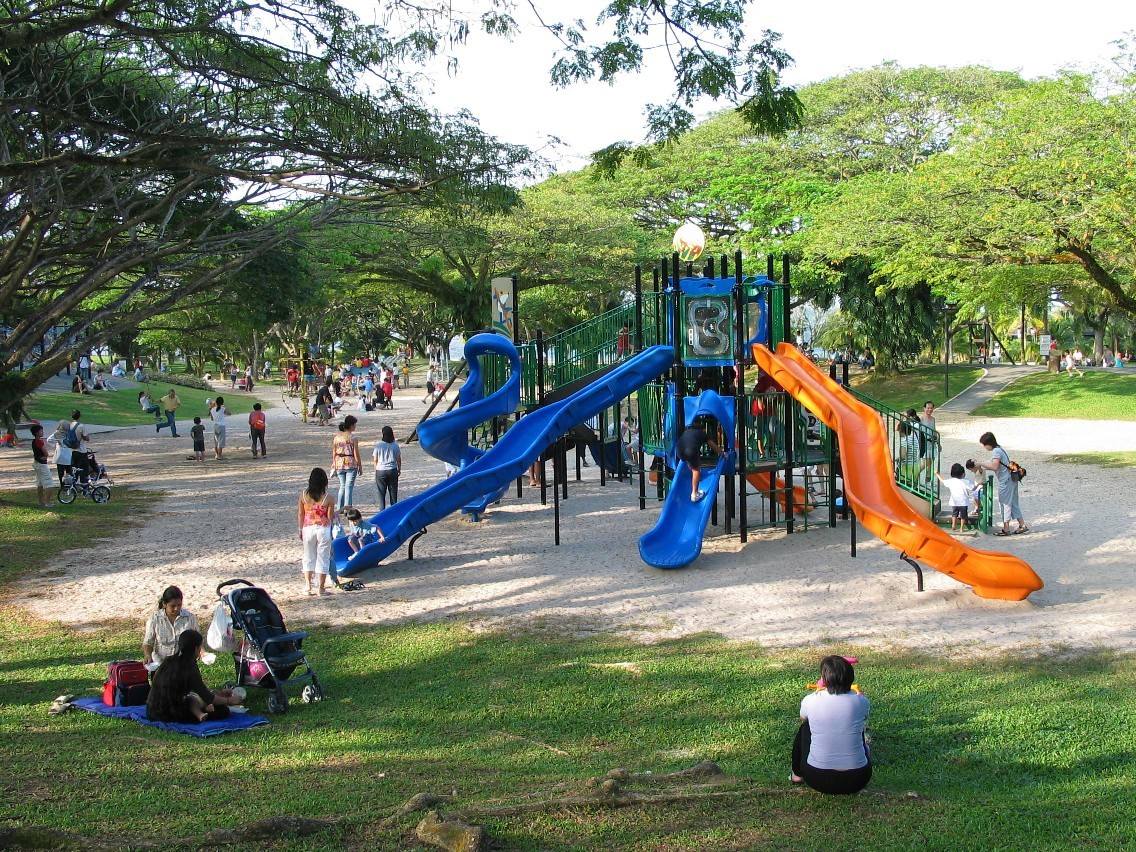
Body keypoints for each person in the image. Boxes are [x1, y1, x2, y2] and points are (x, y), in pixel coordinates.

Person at [790, 655, 872, 795]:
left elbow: (803, 717)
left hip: (817, 778)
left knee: (806, 727)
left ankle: (797, 775)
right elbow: (863, 716)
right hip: (858, 779)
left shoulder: (811, 700)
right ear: (851, 678)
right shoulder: (861, 701)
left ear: (824, 679)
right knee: (856, 727)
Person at [146, 630, 244, 723]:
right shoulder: (189, 667)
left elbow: (194, 689)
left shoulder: (168, 661)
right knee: (222, 711)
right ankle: (201, 714)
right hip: (167, 714)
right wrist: (229, 700)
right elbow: (207, 697)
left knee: (193, 701)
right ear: (196, 649)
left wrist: (218, 693)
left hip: (151, 710)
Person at [979, 431, 1028, 536]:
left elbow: (995, 466)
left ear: (988, 444)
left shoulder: (996, 451)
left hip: (1005, 481)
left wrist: (981, 464)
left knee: (1005, 504)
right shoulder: (1000, 448)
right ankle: (1022, 525)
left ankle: (1006, 528)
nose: (984, 447)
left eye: (984, 445)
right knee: (1014, 503)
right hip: (1011, 480)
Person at [298, 467, 335, 595]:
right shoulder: (328, 498)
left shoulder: (303, 495)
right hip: (322, 529)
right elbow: (329, 517)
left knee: (308, 557)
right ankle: (321, 588)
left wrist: (300, 529)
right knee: (323, 558)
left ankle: (308, 585)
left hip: (308, 528)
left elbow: (301, 514)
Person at [142, 586, 200, 665]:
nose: (176, 609)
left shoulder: (190, 618)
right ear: (164, 604)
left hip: (185, 663)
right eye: (173, 606)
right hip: (161, 664)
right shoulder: (155, 618)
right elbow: (148, 642)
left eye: (179, 605)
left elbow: (197, 641)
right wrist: (148, 655)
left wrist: (202, 653)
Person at [676, 420, 727, 502]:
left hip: (679, 450)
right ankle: (695, 494)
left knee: (692, 462)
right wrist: (723, 453)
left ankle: (691, 469)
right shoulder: (701, 433)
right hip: (690, 451)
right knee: (696, 470)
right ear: (702, 429)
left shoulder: (687, 431)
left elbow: (688, 442)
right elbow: (712, 445)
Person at [331, 415, 361, 510]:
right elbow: (356, 453)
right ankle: (348, 508)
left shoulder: (337, 437)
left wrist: (334, 463)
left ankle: (340, 507)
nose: (355, 426)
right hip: (350, 462)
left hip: (339, 462)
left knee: (342, 486)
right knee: (349, 486)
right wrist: (359, 465)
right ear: (351, 425)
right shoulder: (353, 438)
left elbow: (334, 452)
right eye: (354, 424)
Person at [936, 463, 974, 532]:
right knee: (963, 516)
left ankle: (953, 525)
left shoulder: (951, 481)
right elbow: (972, 488)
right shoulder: (965, 481)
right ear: (963, 473)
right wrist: (980, 484)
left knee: (954, 514)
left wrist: (938, 475)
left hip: (954, 502)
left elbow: (943, 481)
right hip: (963, 503)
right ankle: (961, 528)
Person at [372, 425, 401, 510]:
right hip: (392, 469)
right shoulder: (395, 445)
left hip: (380, 469)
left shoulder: (378, 445)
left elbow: (375, 459)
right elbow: (398, 459)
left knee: (381, 492)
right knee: (393, 492)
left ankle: (382, 510)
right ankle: (394, 509)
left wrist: (376, 469)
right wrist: (399, 469)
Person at [30, 423, 54, 507]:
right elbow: (45, 452)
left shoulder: (33, 441)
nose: (42, 432)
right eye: (41, 431)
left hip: (36, 463)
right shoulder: (39, 441)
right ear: (37, 433)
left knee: (40, 483)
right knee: (49, 483)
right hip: (41, 464)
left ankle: (41, 501)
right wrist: (45, 456)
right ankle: (48, 501)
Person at [917, 400, 938, 484]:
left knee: (931, 463)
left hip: (932, 443)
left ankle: (928, 480)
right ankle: (914, 474)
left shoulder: (933, 419)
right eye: (928, 408)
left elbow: (934, 430)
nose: (929, 410)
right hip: (924, 443)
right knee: (925, 463)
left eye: (931, 408)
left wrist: (937, 440)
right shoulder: (921, 419)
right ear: (924, 408)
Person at [210, 394, 230, 459]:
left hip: (215, 425)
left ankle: (216, 454)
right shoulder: (222, 409)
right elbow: (229, 413)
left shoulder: (212, 409)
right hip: (221, 425)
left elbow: (212, 419)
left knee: (216, 440)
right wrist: (224, 407)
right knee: (221, 441)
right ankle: (219, 455)